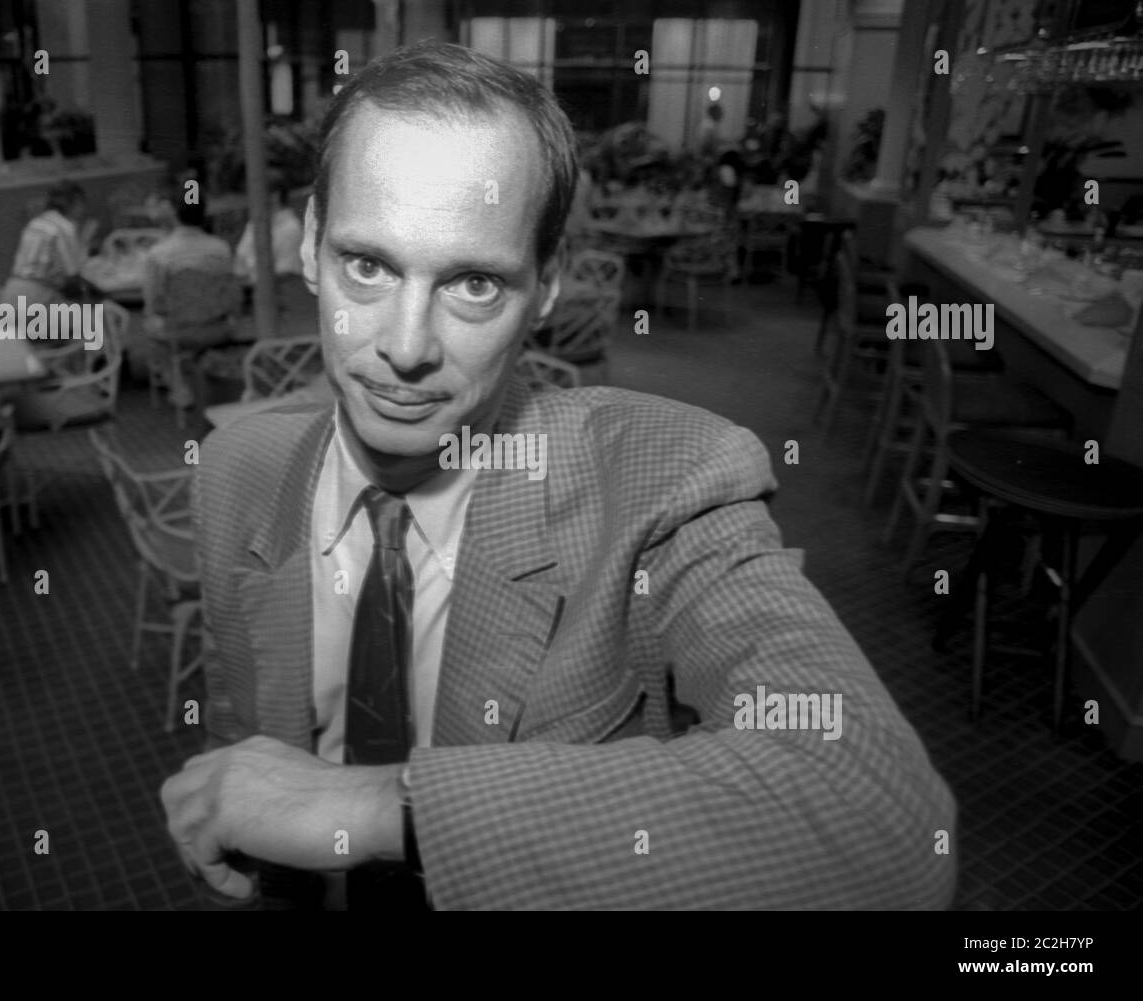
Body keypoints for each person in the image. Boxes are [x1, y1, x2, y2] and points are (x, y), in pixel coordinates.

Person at [161, 40, 957, 911]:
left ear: (545, 286)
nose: (404, 345)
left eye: (473, 284)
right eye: (368, 265)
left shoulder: (670, 483)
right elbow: (243, 746)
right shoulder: (237, 467)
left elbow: (886, 820)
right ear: (311, 244)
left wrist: (382, 806)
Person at [142, 194, 237, 408]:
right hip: (219, 327)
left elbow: (151, 302)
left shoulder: (158, 254)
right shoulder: (221, 249)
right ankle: (207, 372)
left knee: (150, 329)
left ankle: (180, 389)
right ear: (204, 215)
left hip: (179, 331)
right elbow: (231, 290)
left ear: (175, 215)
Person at [1, 180, 94, 308]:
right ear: (76, 203)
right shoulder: (65, 227)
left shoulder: (36, 222)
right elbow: (73, 274)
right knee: (89, 321)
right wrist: (84, 241)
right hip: (35, 298)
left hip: (10, 295)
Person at [233, 185, 306, 314]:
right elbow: (240, 257)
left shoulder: (291, 228)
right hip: (245, 293)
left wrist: (248, 281)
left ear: (276, 197)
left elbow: (286, 271)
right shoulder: (254, 223)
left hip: (272, 298)